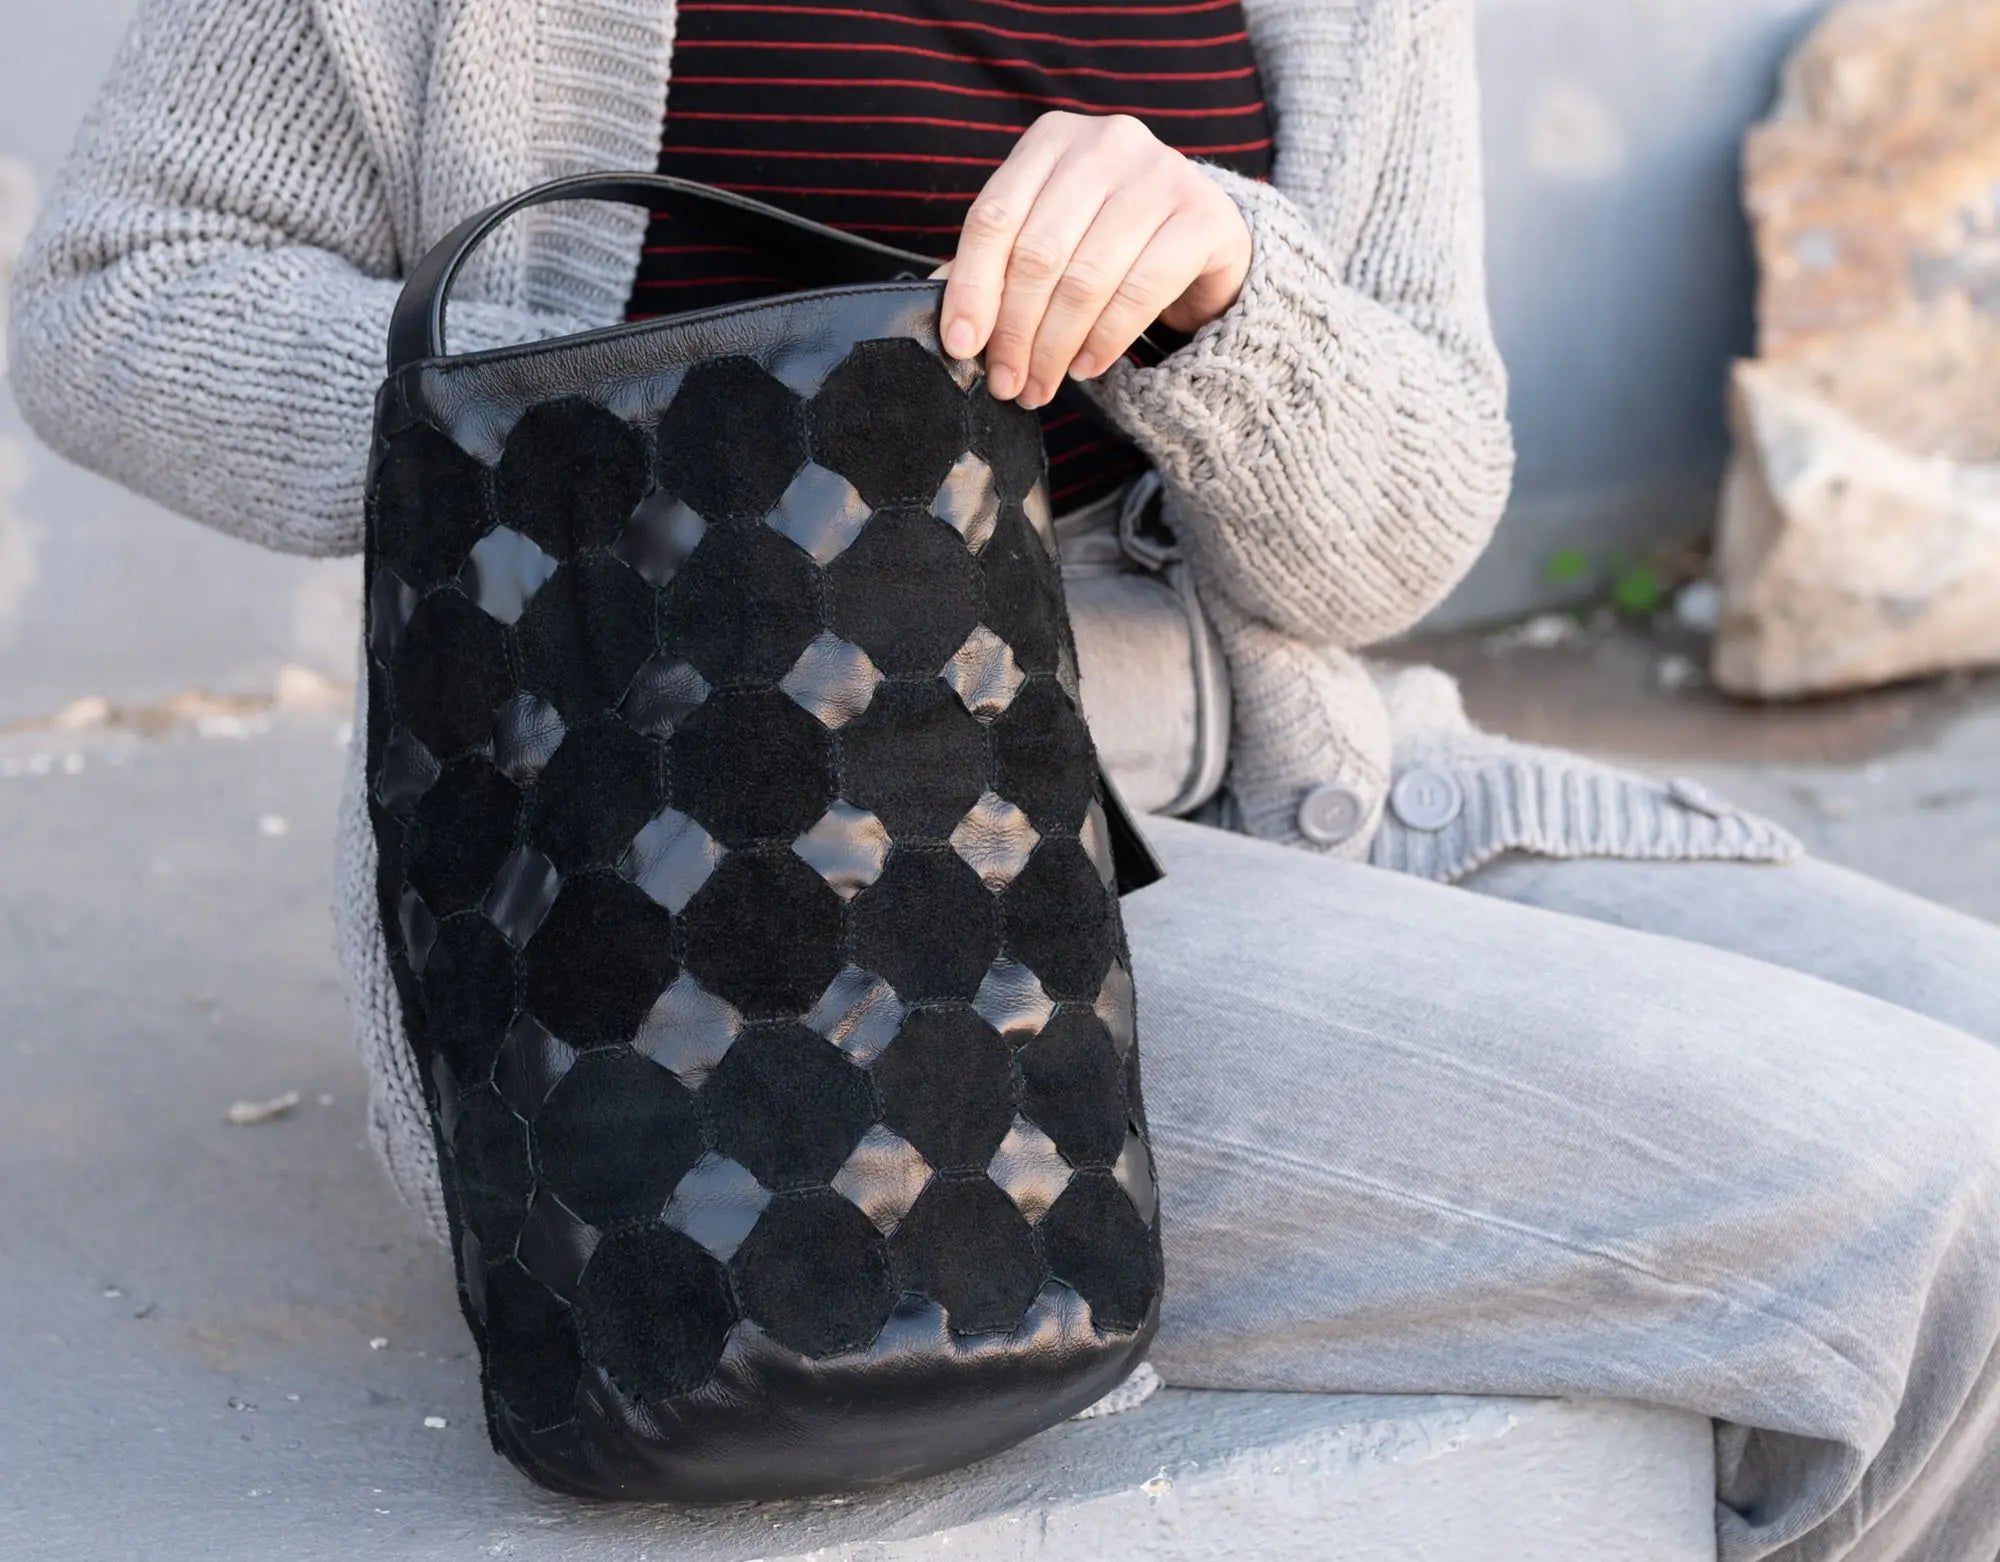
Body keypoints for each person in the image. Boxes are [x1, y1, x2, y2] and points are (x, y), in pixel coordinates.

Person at [10, 2, 2000, 1556]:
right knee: (1936, 1193)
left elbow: (1395, 542)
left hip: (1295, 764)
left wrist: (1234, 292)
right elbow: (120, 285)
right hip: (751, 898)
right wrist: (620, 445)